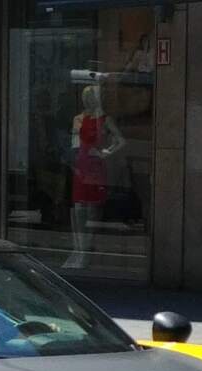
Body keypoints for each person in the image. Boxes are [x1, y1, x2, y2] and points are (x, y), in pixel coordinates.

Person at [65, 85, 125, 269]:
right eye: (85, 97)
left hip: (95, 166)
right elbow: (74, 143)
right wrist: (73, 163)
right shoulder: (78, 118)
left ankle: (86, 252)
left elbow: (120, 141)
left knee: (91, 210)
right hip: (80, 165)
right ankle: (78, 249)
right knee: (78, 208)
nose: (88, 100)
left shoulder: (104, 119)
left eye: (91, 96)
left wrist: (105, 153)